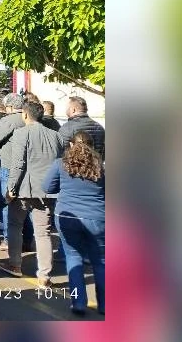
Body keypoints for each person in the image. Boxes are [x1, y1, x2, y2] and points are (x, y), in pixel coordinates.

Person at [43, 129, 105, 316]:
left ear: (70, 144)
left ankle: (78, 302)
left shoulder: (60, 164)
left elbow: (46, 187)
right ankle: (104, 305)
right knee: (100, 262)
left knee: (73, 257)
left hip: (68, 217)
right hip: (98, 218)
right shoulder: (101, 167)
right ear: (92, 147)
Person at [4, 101, 64, 282]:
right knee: (43, 232)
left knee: (15, 226)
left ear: (25, 115)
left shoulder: (21, 133)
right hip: (48, 191)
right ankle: (44, 274)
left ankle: (15, 264)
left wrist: (11, 189)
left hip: (24, 189)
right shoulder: (56, 136)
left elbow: (18, 165)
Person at [0, 93, 27, 248]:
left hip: (9, 165)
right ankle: (27, 239)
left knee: (8, 202)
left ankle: (8, 239)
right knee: (25, 205)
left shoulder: (9, 120)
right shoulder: (28, 118)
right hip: (27, 166)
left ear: (10, 107)